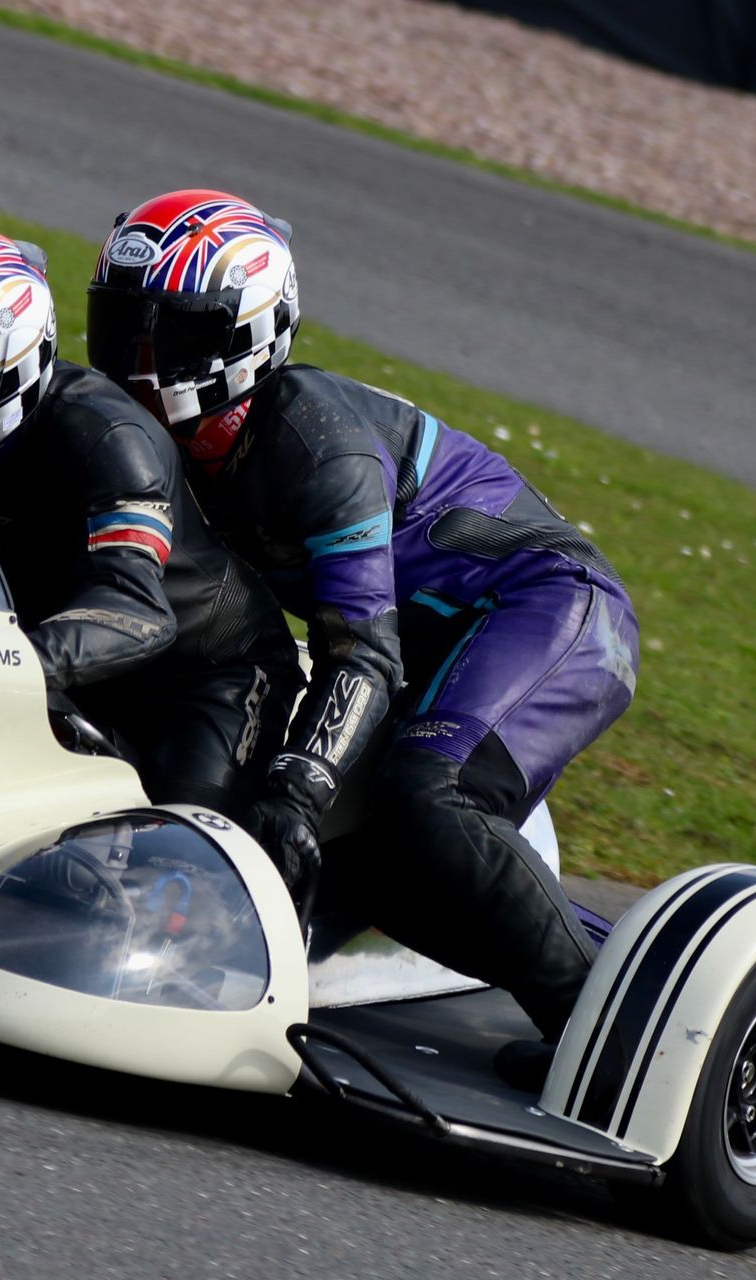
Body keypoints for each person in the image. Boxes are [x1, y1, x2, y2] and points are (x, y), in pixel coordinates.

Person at [84, 190, 640, 1087]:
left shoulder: (317, 446)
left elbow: (362, 653)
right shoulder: (170, 447)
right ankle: (640, 975)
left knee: (428, 799)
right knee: (378, 866)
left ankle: (607, 1047)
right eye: (125, 329)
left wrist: (298, 789)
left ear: (244, 336)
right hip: (423, 645)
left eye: (171, 335)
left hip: (549, 607)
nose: (141, 363)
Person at [0, 224, 300, 820]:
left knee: (180, 856)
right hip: (56, 654)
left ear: (4, 371)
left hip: (204, 679)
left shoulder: (108, 438)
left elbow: (136, 613)